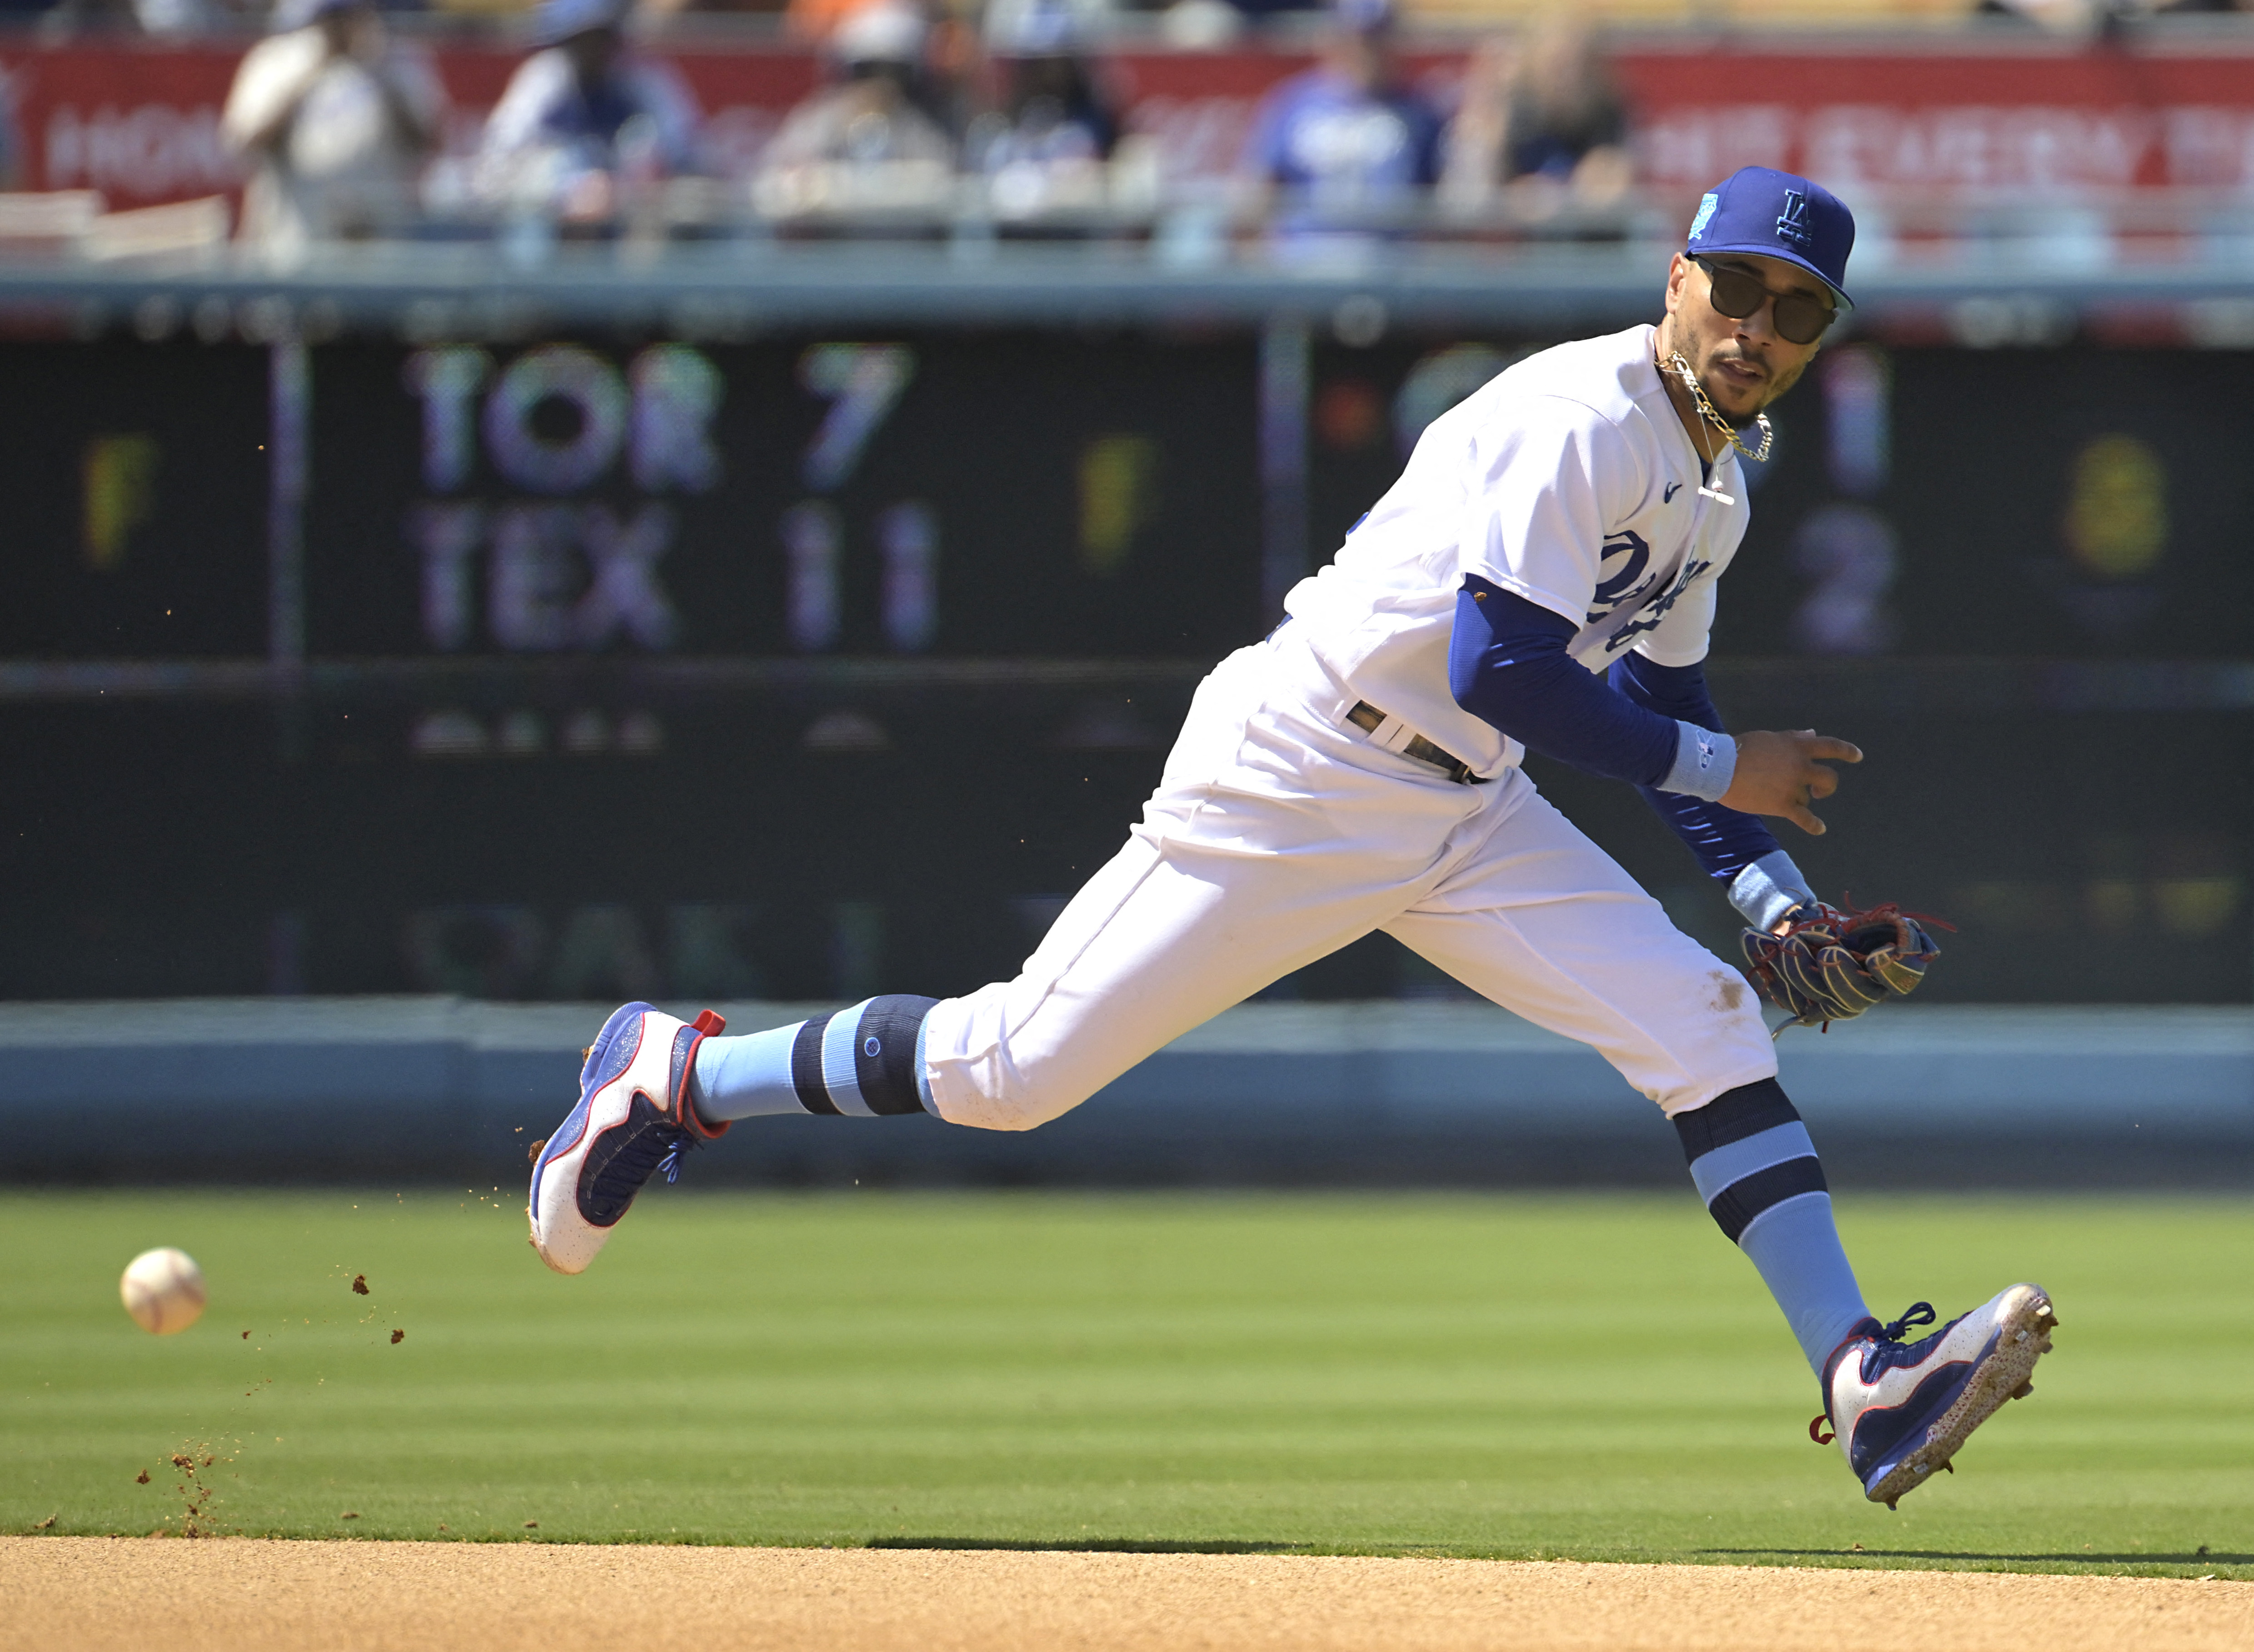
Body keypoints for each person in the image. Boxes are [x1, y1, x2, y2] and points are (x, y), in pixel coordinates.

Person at [527, 166, 2059, 1510]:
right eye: (1737, 288)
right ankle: (680, 1072)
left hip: (1464, 810)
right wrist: (1738, 766)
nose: (1757, 329)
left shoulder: (1715, 483)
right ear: (1678, 277)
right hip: (1301, 774)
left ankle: (1864, 1376)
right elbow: (1503, 666)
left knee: (1715, 1020)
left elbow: (1655, 699)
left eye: (1797, 313)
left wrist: (1774, 901)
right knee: (1010, 1075)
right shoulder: (1582, 416)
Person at [221, 0, 445, 257]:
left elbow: (430, 143)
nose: (341, 25)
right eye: (333, 18)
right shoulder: (278, 59)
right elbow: (246, 142)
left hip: (381, 240)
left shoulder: (399, 58)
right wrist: (311, 73)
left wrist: (379, 72)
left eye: (348, 15)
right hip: (295, 242)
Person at [477, 0, 702, 224]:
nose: (592, 49)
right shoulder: (545, 76)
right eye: (583, 39)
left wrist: (633, 184)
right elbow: (499, 154)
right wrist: (563, 189)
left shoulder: (642, 75)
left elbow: (687, 150)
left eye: (600, 38)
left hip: (630, 210)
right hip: (552, 216)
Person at [1237, 0, 1442, 244]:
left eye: (1376, 41)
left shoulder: (1420, 112)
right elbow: (1260, 190)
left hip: (1386, 263)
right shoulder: (1294, 103)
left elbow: (1438, 202)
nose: (1364, 52)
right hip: (1305, 258)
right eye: (1355, 40)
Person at [753, 2, 956, 221]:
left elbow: (944, 185)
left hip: (899, 245)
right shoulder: (816, 124)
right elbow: (771, 184)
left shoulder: (919, 131)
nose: (881, 83)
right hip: (830, 246)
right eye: (868, 71)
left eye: (894, 72)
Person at [1441, 17, 1631, 219]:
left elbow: (1607, 178)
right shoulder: (1517, 112)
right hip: (1517, 235)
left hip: (1583, 231)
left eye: (1573, 65)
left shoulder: (1604, 113)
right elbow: (1467, 200)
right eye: (1555, 64)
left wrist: (1571, 191)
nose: (1564, 76)